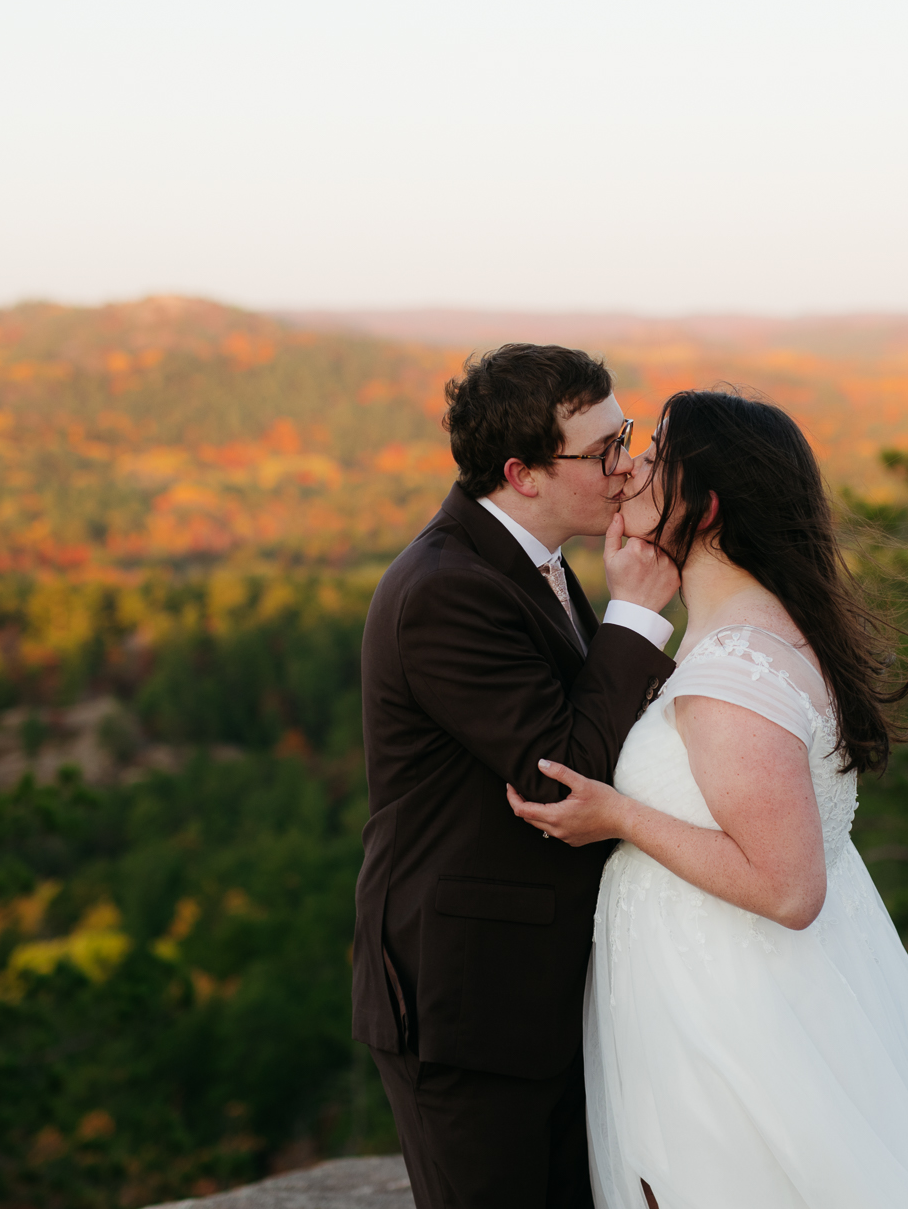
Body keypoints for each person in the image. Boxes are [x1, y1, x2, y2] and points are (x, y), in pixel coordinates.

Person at [509, 389, 908, 1209]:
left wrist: (618, 815)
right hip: (747, 985)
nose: (632, 469)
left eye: (656, 459)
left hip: (732, 1013)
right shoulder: (760, 628)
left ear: (709, 507)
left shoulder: (732, 673)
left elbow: (789, 887)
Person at [353, 344, 681, 1209]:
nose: (630, 463)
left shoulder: (532, 560)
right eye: (605, 448)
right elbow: (560, 770)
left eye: (628, 435)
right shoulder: (445, 589)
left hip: (536, 987)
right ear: (522, 472)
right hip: (469, 1001)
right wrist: (640, 614)